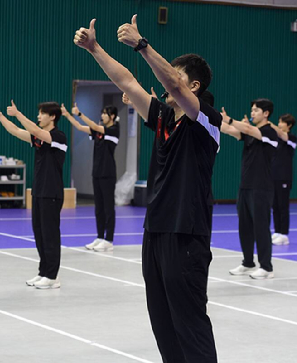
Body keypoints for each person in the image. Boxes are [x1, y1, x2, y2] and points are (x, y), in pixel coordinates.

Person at [74, 15, 220, 362]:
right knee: (163, 320)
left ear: (194, 86)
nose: (168, 80)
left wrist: (142, 45)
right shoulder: (163, 120)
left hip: (186, 232)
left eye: (176, 73)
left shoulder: (208, 121)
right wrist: (96, 49)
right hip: (155, 229)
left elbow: (176, 87)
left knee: (189, 321)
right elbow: (127, 80)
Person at [0, 100, 67, 289]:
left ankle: (52, 276)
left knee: (50, 235)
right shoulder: (39, 138)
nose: (39, 116)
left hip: (52, 192)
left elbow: (38, 131)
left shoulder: (58, 136)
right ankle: (43, 272)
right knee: (39, 233)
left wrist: (17, 114)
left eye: (42, 113)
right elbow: (17, 132)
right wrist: (0, 117)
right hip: (39, 191)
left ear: (53, 116)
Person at [220, 99, 278, 279]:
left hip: (262, 188)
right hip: (245, 187)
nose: (252, 113)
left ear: (266, 113)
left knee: (261, 227)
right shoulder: (250, 133)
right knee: (244, 226)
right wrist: (213, 118)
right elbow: (231, 130)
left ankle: (266, 268)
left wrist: (230, 119)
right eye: (251, 110)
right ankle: (247, 262)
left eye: (255, 110)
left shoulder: (270, 132)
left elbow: (247, 129)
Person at [61, 102, 119, 252]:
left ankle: (109, 240)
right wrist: (68, 115)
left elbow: (94, 125)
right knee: (98, 208)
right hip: (97, 173)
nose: (102, 116)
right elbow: (81, 127)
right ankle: (100, 237)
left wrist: (80, 114)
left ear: (112, 116)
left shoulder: (113, 130)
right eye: (102, 113)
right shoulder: (98, 133)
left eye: (105, 114)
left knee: (108, 208)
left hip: (108, 174)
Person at [269, 114, 296, 246]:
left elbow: (282, 135)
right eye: (278, 121)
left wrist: (269, 124)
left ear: (289, 125)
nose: (279, 124)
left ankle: (284, 234)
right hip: (273, 177)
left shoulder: (291, 139)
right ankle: (277, 231)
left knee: (283, 206)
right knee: (275, 206)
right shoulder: (276, 140)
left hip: (284, 178)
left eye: (281, 122)